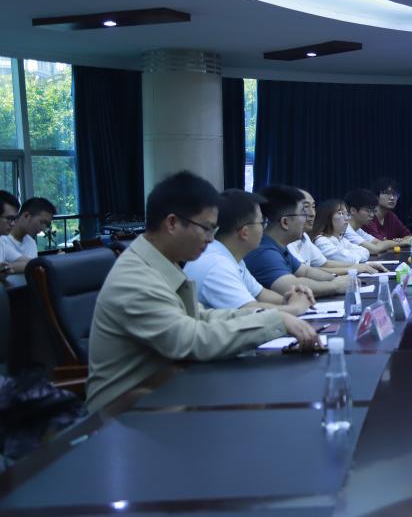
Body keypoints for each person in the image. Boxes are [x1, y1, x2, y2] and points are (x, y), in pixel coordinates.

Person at [87, 171, 320, 412]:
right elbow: (190, 340)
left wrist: (274, 316)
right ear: (172, 223)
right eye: (207, 228)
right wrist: (275, 320)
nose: (211, 239)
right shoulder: (137, 279)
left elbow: (202, 316)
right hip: (125, 414)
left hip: (167, 391)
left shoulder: (161, 263)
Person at [185, 189, 315, 315]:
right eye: (262, 223)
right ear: (245, 232)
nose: (264, 229)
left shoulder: (232, 257)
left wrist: (290, 298)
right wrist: (296, 307)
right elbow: (250, 311)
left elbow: (261, 294)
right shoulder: (216, 265)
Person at [244, 185, 352, 298]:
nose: (307, 218)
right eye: (302, 214)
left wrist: (336, 279)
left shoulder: (279, 246)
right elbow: (290, 285)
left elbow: (306, 272)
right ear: (285, 222)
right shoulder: (264, 251)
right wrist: (335, 286)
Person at [288, 189, 384, 273]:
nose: (312, 213)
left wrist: (361, 266)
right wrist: (356, 266)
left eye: (313, 207)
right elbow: (306, 271)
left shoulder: (305, 238)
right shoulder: (320, 241)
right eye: (341, 213)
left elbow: (324, 264)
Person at [0, 197, 56, 273]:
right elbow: (35, 264)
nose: (43, 228)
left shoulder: (31, 242)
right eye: (42, 222)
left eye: (47, 224)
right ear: (26, 216)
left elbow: (36, 265)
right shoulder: (3, 240)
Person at [344, 188, 405, 254]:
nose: (372, 215)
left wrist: (390, 243)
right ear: (353, 210)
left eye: (373, 211)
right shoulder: (345, 229)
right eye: (368, 211)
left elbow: (379, 242)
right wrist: (403, 242)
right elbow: (375, 249)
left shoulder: (358, 229)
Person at [312, 198, 372, 264]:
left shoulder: (341, 239)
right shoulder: (321, 241)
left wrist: (353, 256)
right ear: (327, 217)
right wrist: (355, 256)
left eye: (346, 214)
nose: (346, 218)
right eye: (341, 213)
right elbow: (349, 259)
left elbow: (366, 251)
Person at [364, 177, 412, 244]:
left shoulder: (391, 216)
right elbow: (380, 243)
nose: (392, 198)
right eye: (387, 193)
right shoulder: (368, 216)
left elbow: (409, 236)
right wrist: (399, 242)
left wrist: (397, 242)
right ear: (376, 196)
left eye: (395, 194)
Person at [0, 190, 20, 276]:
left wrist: (6, 268)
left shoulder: (2, 242)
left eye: (14, 219)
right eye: (9, 218)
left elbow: (29, 262)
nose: (13, 224)